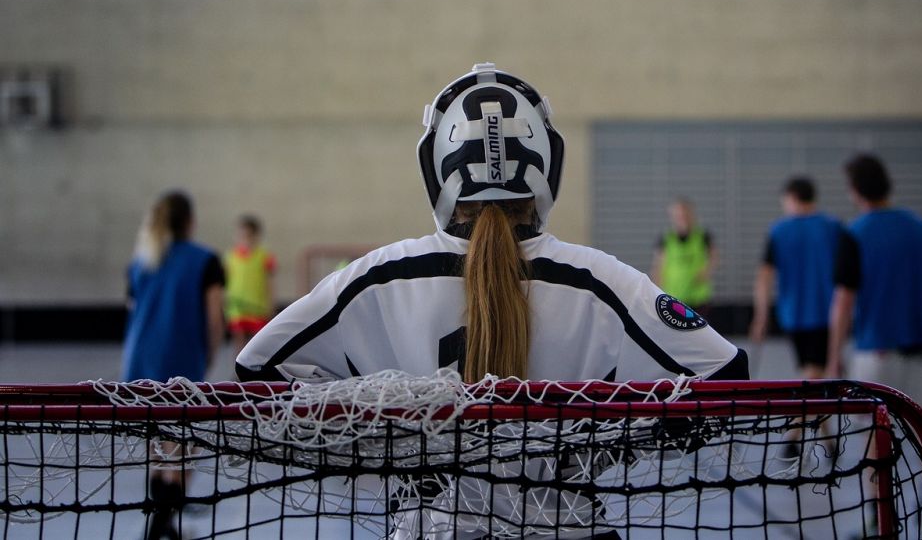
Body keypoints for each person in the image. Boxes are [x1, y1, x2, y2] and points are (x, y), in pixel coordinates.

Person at [236, 63, 747, 538]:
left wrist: (391, 445)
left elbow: (260, 368)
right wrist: (601, 448)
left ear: (437, 168)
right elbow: (725, 375)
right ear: (547, 164)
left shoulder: (377, 279)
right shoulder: (602, 283)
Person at [122, 190, 226, 540]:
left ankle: (161, 521)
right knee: (183, 448)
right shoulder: (206, 260)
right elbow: (214, 319)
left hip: (139, 361)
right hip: (182, 362)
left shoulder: (141, 261)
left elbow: (133, 309)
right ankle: (162, 524)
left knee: (155, 444)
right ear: (191, 221)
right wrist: (209, 356)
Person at [826, 154, 922, 408]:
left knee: (873, 427)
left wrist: (834, 355)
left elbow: (843, 301)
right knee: (919, 427)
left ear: (854, 190)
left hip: (876, 352)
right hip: (921, 349)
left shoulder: (854, 233)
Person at [750, 177, 844, 381]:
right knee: (817, 370)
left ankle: (811, 401)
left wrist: (761, 317)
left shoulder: (779, 231)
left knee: (812, 370)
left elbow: (765, 276)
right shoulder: (833, 227)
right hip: (828, 311)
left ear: (792, 198)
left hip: (794, 312)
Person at [650, 198, 717, 315]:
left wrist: (706, 271)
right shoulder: (666, 238)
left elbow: (714, 256)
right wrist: (655, 290)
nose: (682, 219)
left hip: (698, 296)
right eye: (678, 216)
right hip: (673, 296)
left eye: (685, 215)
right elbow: (658, 266)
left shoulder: (702, 236)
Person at [224, 214, 276, 357]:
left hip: (257, 306)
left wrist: (271, 303)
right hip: (237, 306)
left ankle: (255, 366)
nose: (244, 240)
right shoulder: (230, 257)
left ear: (256, 236)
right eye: (241, 236)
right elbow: (226, 282)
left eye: (248, 236)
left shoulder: (265, 257)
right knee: (238, 341)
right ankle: (238, 366)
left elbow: (270, 283)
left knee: (257, 342)